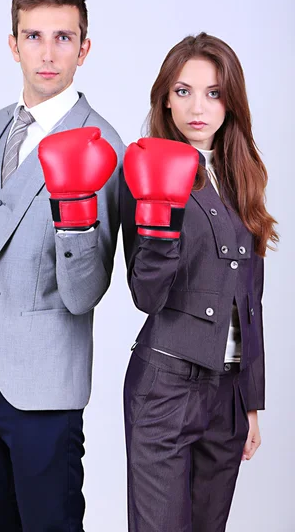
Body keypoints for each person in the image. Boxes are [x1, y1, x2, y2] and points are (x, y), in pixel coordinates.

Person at [0, 0, 124, 532]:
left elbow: (87, 292)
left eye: (63, 37)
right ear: (13, 44)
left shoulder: (104, 144)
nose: (48, 52)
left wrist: (74, 217)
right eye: (33, 36)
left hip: (42, 389)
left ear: (84, 48)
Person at [121, 32, 278, 532]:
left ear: (230, 101)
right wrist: (162, 222)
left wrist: (250, 402)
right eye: (184, 91)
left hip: (227, 396)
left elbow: (250, 300)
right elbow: (146, 295)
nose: (198, 107)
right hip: (165, 388)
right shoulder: (143, 166)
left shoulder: (241, 175)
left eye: (213, 93)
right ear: (166, 96)